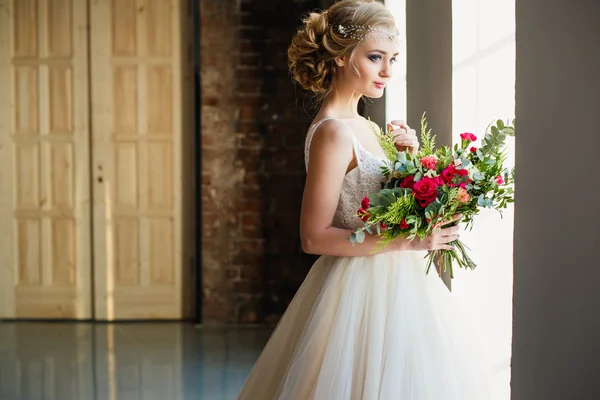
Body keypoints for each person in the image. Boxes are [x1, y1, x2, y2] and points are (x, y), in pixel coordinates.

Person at [237, 1, 490, 398]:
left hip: (403, 286)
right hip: (358, 290)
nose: (387, 71)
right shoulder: (334, 132)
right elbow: (314, 238)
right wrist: (412, 241)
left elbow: (385, 205)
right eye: (375, 58)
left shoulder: (368, 126)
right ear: (339, 57)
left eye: (392, 58)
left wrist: (410, 162)